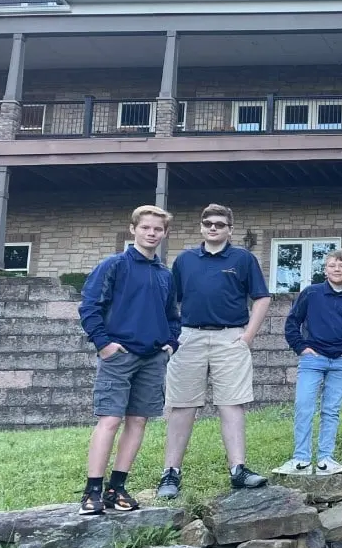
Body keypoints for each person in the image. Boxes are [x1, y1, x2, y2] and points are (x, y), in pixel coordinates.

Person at [157, 204, 271, 499]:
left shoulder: (243, 259)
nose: (213, 228)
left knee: (232, 404)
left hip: (230, 338)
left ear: (230, 229)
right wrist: (172, 336)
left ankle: (238, 470)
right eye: (207, 223)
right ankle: (170, 472)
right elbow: (171, 302)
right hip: (190, 337)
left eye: (220, 224)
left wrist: (247, 337)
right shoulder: (184, 260)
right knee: (182, 405)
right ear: (201, 227)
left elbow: (261, 298)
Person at [77, 205, 181, 515]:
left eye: (158, 229)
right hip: (119, 355)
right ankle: (92, 490)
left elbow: (172, 315)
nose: (152, 233)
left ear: (164, 234)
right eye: (146, 227)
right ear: (133, 229)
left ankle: (116, 488)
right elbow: (90, 306)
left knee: (138, 421)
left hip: (153, 358)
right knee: (110, 420)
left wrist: (171, 344)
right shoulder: (114, 265)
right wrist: (103, 344)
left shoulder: (165, 274)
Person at [280, 249, 342, 475]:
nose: (337, 270)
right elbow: (292, 323)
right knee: (304, 406)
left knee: (331, 410)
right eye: (332, 266)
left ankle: (325, 459)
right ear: (325, 269)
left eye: (341, 266)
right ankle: (300, 459)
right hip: (313, 360)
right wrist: (302, 348)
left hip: (341, 362)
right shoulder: (311, 294)